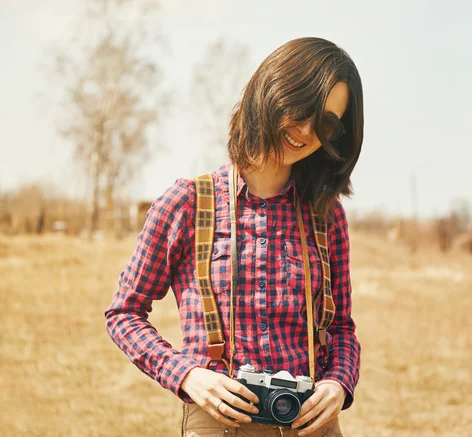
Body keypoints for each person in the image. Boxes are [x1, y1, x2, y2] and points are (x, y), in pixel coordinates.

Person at [105, 37, 364, 437]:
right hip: (218, 427)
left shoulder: (326, 217)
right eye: (302, 107)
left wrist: (337, 383)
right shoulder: (186, 203)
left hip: (312, 427)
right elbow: (124, 313)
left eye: (327, 122)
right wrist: (187, 375)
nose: (308, 130)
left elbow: (341, 328)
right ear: (273, 92)